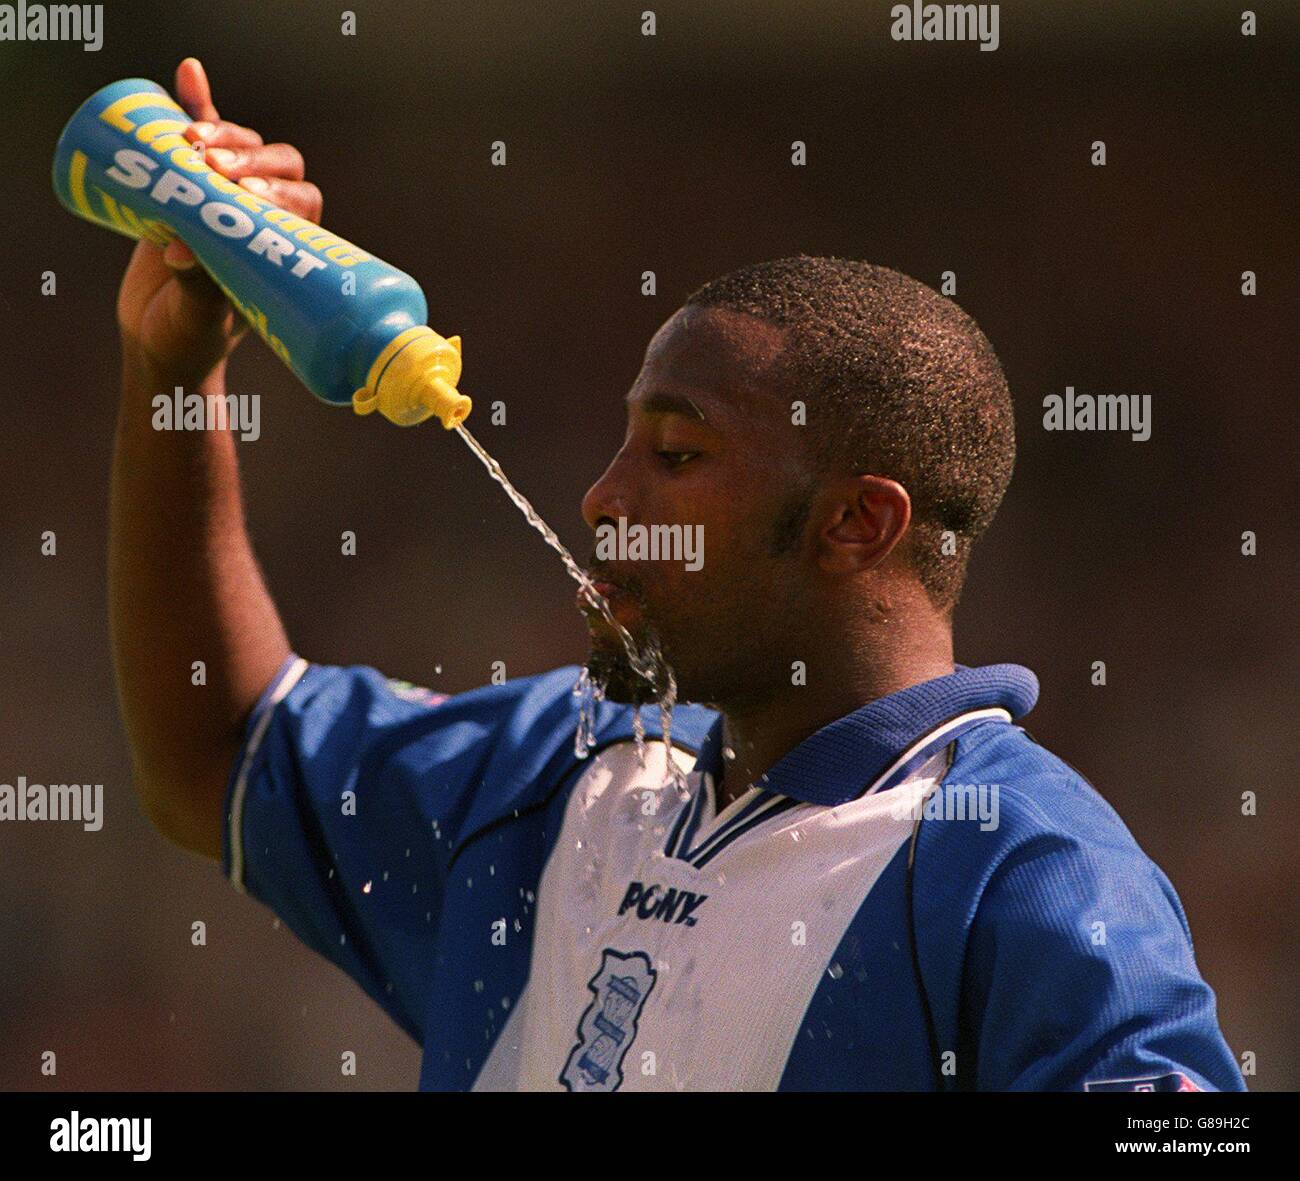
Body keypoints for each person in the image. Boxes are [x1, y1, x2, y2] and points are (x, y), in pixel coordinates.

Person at [114, 58, 1244, 1092]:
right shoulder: (551, 777)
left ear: (856, 522)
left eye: (677, 453)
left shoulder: (1026, 869)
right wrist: (172, 368)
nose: (603, 496)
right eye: (621, 445)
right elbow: (214, 750)